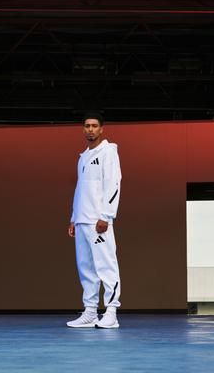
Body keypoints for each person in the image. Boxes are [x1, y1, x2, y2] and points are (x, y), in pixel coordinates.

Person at [66, 112, 122, 329]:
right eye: (87, 126)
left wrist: (106, 215)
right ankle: (90, 312)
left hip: (99, 220)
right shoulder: (83, 156)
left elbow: (113, 184)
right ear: (83, 129)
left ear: (101, 129)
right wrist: (74, 218)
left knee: (106, 265)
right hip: (82, 220)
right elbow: (80, 189)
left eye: (94, 125)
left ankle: (111, 312)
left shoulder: (108, 152)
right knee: (86, 268)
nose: (90, 129)